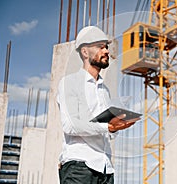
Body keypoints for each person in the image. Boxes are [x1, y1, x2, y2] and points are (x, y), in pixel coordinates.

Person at [57, 26, 138, 184]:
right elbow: (70, 125)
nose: (106, 51)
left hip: (106, 169)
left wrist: (117, 126)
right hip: (79, 167)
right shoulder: (69, 83)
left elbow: (107, 132)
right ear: (85, 52)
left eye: (106, 47)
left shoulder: (104, 90)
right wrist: (108, 127)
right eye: (100, 47)